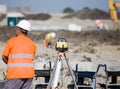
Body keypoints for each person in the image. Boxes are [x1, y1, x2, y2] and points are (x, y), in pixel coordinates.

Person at [2, 20, 37, 89]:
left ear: (18, 29)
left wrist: (10, 64)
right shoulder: (32, 44)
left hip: (15, 74)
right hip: (29, 75)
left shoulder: (11, 41)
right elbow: (31, 59)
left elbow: (4, 57)